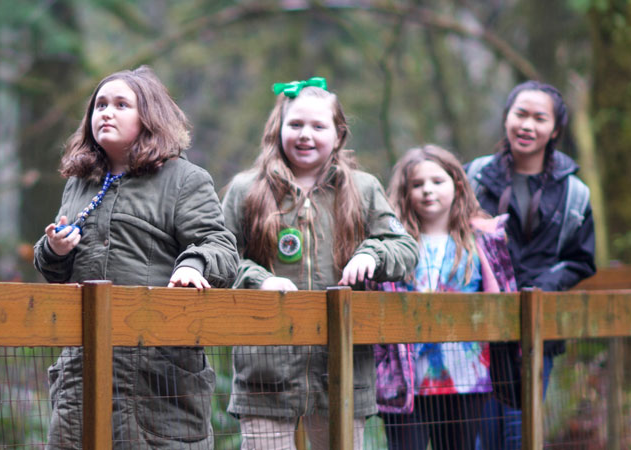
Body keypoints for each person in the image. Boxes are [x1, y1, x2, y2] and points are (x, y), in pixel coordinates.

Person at [35, 66, 239, 449]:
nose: (106, 113)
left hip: (157, 371)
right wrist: (55, 249)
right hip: (84, 367)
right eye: (100, 105)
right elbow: (55, 271)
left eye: (120, 104)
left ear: (149, 118)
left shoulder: (184, 179)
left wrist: (193, 265)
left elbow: (221, 246)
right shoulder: (79, 182)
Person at [220, 77, 417, 449]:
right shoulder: (247, 189)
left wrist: (370, 253)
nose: (305, 135)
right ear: (278, 129)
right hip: (265, 369)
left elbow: (404, 247)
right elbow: (219, 256)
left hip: (341, 367)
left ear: (339, 135)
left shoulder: (363, 188)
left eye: (318, 126)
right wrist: (258, 279)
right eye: (295, 124)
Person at [465, 81, 597, 449]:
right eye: (520, 114)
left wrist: (538, 288)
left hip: (536, 331)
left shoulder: (575, 192)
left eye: (539, 118)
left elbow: (581, 260)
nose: (527, 125)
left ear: (555, 130)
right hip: (476, 330)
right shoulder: (471, 178)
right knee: (479, 435)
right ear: (506, 118)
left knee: (520, 435)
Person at [374, 145, 516, 450]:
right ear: (405, 191)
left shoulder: (481, 240)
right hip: (406, 379)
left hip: (467, 377)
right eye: (417, 184)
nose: (427, 190)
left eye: (437, 182)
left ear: (457, 185)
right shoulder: (391, 244)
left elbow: (501, 298)